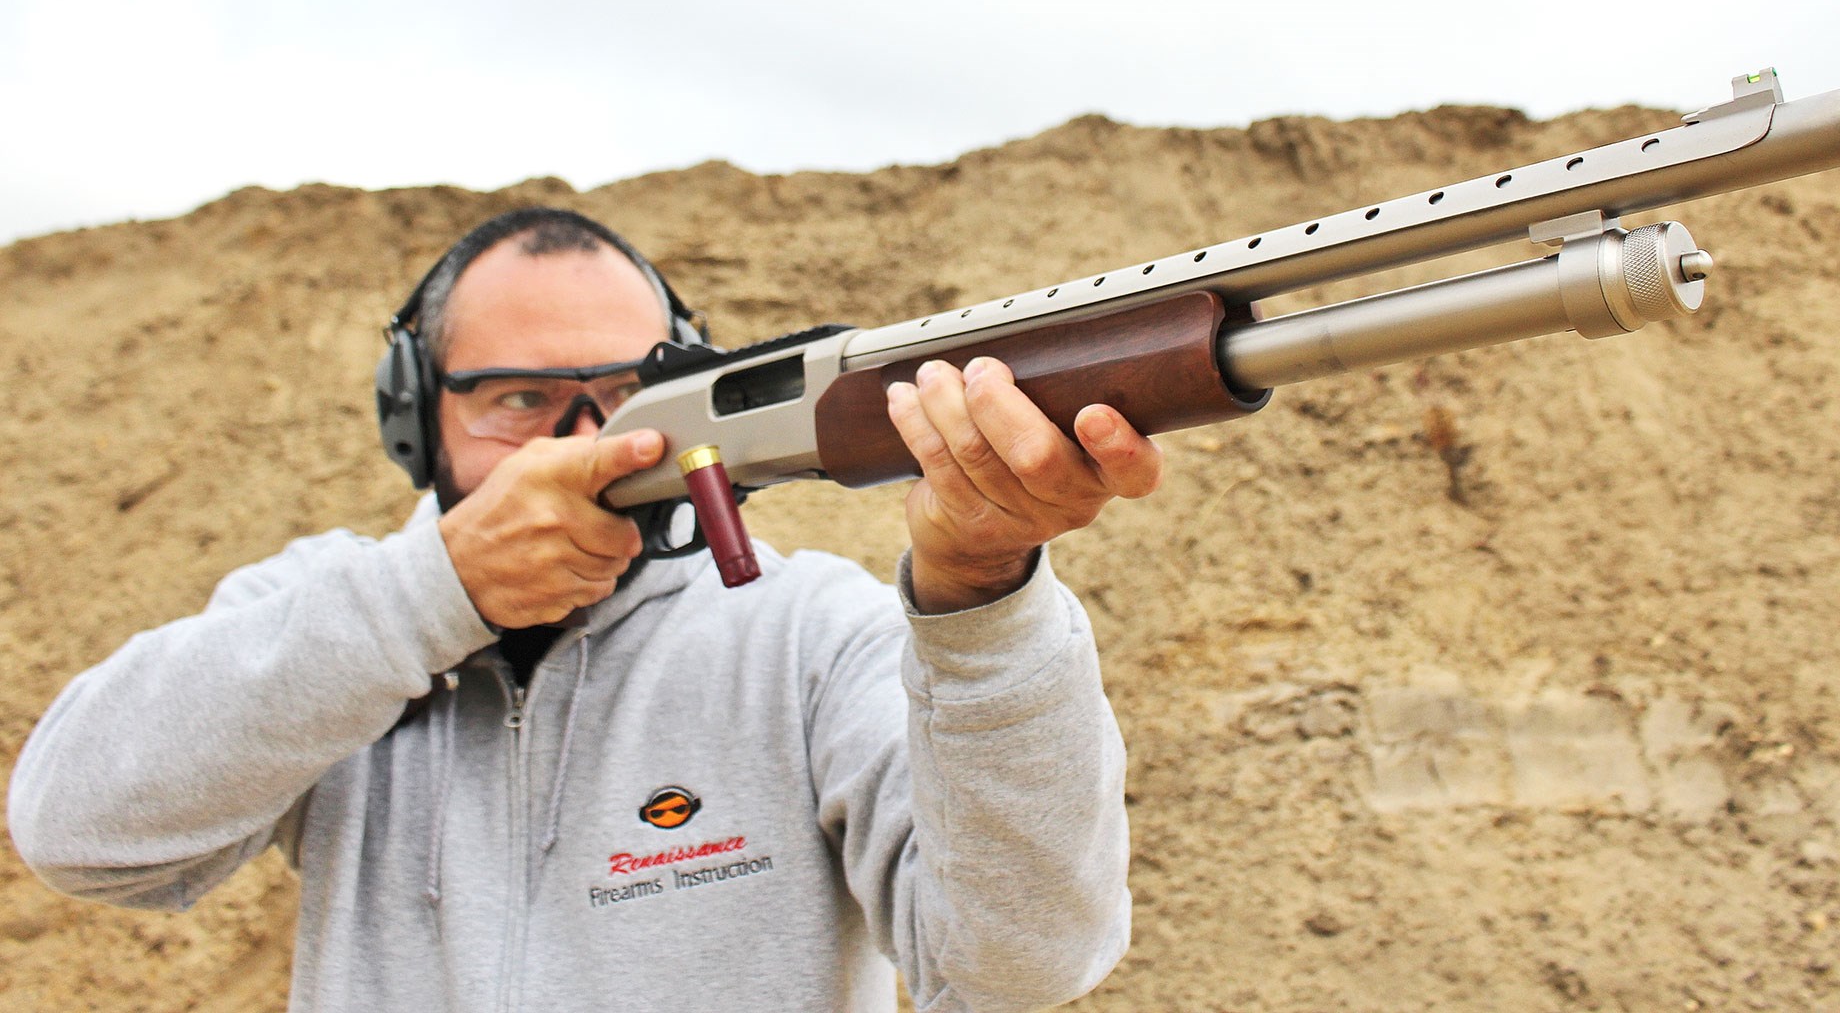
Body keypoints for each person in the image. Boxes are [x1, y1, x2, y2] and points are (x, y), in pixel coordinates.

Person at [9, 207, 1164, 1011]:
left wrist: (983, 599)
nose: (586, 444)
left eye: (624, 395)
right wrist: (428, 600)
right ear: (415, 418)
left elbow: (1025, 964)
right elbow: (80, 835)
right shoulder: (325, 619)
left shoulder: (806, 633)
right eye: (518, 399)